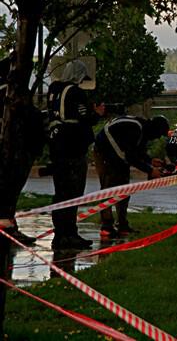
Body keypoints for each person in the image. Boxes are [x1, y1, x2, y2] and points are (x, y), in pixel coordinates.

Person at [46, 60, 104, 249]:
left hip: (56, 146)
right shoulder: (75, 92)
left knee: (60, 192)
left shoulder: (54, 91)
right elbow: (83, 118)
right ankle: (69, 234)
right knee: (73, 192)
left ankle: (59, 233)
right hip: (72, 147)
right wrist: (96, 114)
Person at [93, 115, 170, 238]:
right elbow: (131, 157)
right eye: (159, 134)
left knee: (124, 189)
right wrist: (150, 170)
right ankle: (106, 226)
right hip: (104, 152)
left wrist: (150, 161)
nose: (157, 138)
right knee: (109, 189)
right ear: (154, 130)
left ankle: (122, 224)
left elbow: (137, 151)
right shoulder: (135, 129)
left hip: (117, 153)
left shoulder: (142, 129)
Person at [0, 55, 43, 246]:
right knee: (8, 192)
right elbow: (30, 118)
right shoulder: (10, 94)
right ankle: (7, 228)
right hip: (15, 151)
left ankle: (9, 226)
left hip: (17, 149)